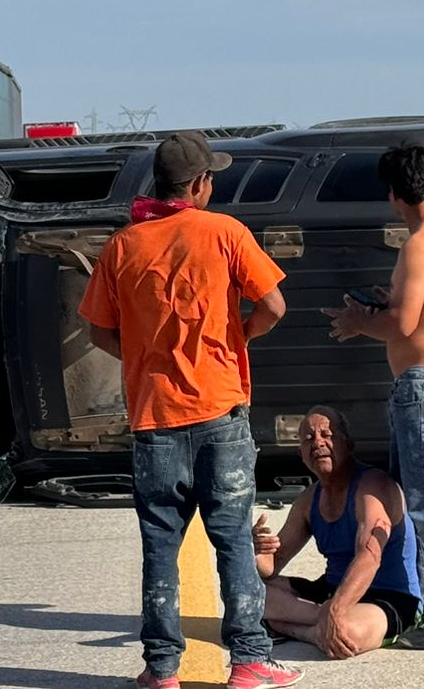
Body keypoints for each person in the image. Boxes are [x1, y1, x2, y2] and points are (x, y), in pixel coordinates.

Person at [79, 130, 304, 689]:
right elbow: (274, 304)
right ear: (201, 184)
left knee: (160, 547)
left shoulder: (123, 245)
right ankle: (250, 663)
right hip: (219, 413)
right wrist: (238, 340)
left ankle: (161, 671)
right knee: (231, 541)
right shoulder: (225, 232)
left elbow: (97, 330)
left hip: (154, 419)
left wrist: (142, 353)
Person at [322, 144, 424, 650]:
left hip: (423, 387)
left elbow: (404, 323)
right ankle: (420, 603)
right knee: (420, 499)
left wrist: (359, 320)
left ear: (394, 195)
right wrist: (396, 301)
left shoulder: (419, 245)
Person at [253, 406, 421, 659]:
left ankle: (297, 626)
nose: (318, 442)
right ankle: (317, 627)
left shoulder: (373, 487)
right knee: (244, 591)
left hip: (389, 595)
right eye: (309, 438)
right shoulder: (308, 500)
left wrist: (337, 610)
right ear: (302, 454)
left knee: (348, 632)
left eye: (327, 435)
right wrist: (255, 550)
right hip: (331, 590)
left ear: (348, 443)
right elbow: (271, 566)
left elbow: (369, 557)